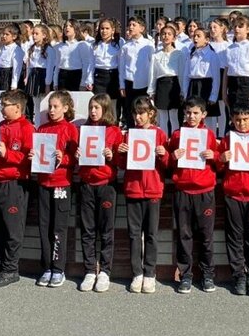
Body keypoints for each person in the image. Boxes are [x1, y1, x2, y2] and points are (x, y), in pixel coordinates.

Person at [167, 97, 220, 294]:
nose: (191, 116)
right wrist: (173, 157)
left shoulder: (209, 135)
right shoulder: (177, 135)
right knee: (184, 235)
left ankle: (207, 275)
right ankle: (186, 275)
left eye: (196, 113)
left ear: (204, 115)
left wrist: (213, 157)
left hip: (205, 191)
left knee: (206, 236)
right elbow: (167, 164)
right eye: (188, 113)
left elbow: (220, 163)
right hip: (183, 191)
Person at [116, 96, 168, 294]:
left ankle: (150, 274)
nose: (138, 117)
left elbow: (167, 165)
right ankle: (137, 273)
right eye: (135, 114)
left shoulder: (160, 134)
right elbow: (121, 165)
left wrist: (163, 154)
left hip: (153, 189)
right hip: (133, 189)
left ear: (151, 114)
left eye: (141, 113)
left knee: (152, 235)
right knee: (134, 234)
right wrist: (121, 153)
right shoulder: (129, 135)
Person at [216, 105, 249, 296]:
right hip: (233, 195)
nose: (242, 123)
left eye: (245, 119)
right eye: (238, 120)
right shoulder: (227, 140)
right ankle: (238, 275)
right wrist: (221, 159)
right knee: (234, 238)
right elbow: (219, 169)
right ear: (232, 120)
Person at [0, 90, 33, 287]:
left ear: (18, 108)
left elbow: (30, 158)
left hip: (13, 184)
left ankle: (10, 269)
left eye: (5, 104)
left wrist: (7, 155)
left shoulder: (27, 128)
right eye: (2, 104)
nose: (1, 108)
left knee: (12, 228)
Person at [31, 90, 78, 288]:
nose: (51, 110)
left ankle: (59, 269)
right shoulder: (41, 129)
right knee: (44, 227)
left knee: (58, 227)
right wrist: (32, 155)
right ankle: (47, 267)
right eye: (50, 106)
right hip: (43, 183)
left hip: (61, 183)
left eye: (56, 106)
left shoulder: (70, 129)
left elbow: (76, 158)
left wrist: (63, 158)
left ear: (66, 108)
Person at [76, 94, 122, 293]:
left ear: (105, 109)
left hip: (106, 185)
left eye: (97, 107)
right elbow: (76, 157)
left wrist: (113, 156)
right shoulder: (83, 130)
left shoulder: (114, 131)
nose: (93, 111)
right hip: (86, 184)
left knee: (106, 230)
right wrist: (77, 155)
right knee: (87, 229)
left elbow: (122, 161)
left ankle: (104, 271)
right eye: (91, 107)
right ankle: (89, 270)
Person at [148, 24, 187, 135]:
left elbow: (181, 73)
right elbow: (152, 74)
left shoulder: (179, 54)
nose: (166, 36)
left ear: (174, 38)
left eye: (169, 34)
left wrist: (183, 90)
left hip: (174, 85)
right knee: (162, 116)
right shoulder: (156, 55)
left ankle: (175, 139)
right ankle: (164, 139)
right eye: (164, 34)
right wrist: (152, 90)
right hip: (161, 85)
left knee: (174, 115)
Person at [183, 29, 223, 135]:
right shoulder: (191, 54)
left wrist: (213, 96)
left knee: (208, 116)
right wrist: (184, 92)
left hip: (206, 86)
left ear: (207, 40)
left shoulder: (212, 55)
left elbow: (216, 77)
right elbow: (186, 75)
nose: (195, 38)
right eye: (194, 36)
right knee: (194, 113)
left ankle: (211, 137)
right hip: (193, 86)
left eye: (199, 36)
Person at [119, 17, 154, 129]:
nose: (131, 27)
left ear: (142, 28)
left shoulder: (149, 45)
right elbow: (122, 68)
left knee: (143, 109)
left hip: (143, 83)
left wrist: (151, 86)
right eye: (130, 24)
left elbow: (152, 66)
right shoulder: (126, 47)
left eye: (134, 25)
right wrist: (122, 85)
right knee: (129, 109)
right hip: (129, 82)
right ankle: (130, 131)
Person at [53, 20, 94, 92]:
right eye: (65, 26)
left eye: (70, 26)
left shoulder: (82, 45)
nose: (67, 28)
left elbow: (86, 64)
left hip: (77, 75)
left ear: (76, 29)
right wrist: (55, 82)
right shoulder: (59, 46)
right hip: (62, 75)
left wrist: (83, 83)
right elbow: (57, 65)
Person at [0, 24, 24, 91]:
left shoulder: (16, 50)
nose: (4, 36)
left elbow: (17, 68)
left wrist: (14, 84)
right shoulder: (2, 48)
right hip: (0, 74)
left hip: (8, 76)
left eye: (7, 34)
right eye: (3, 34)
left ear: (14, 36)